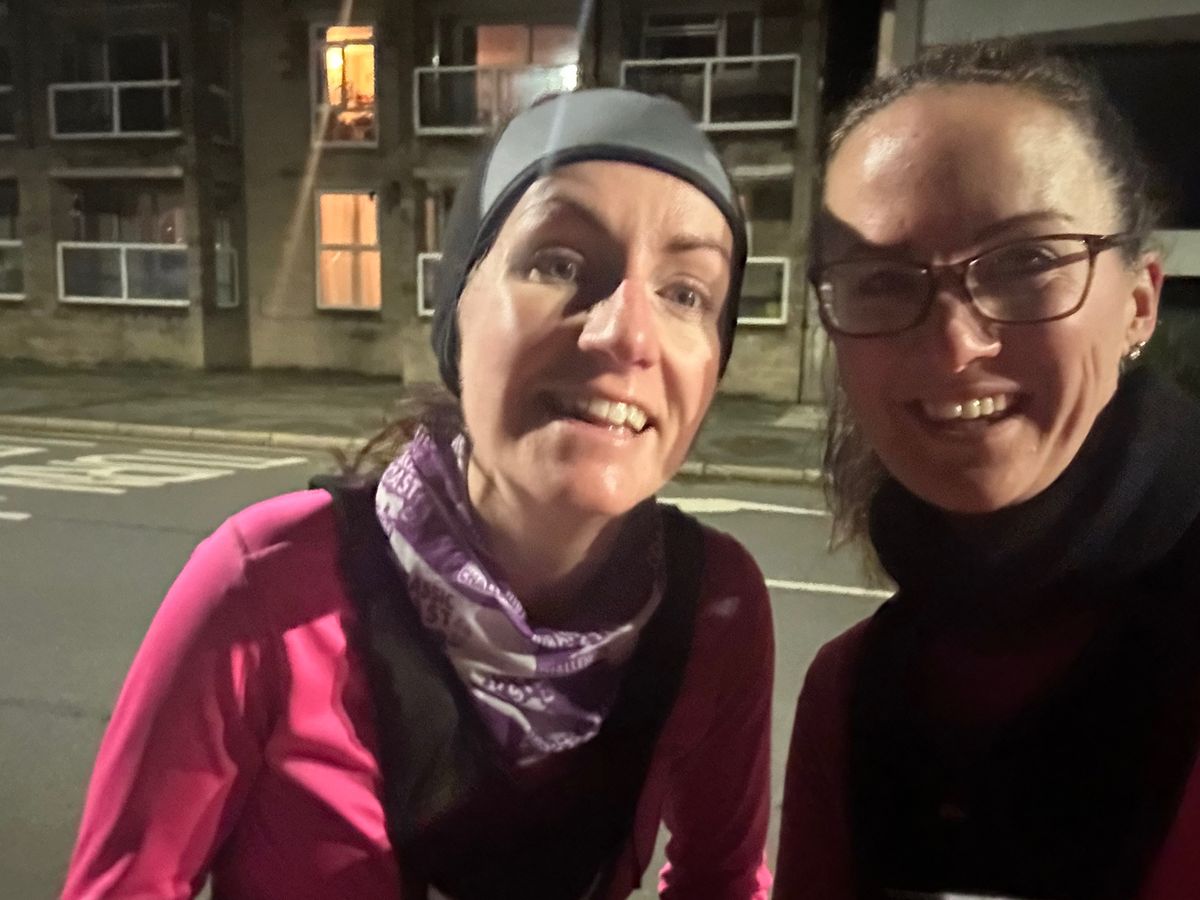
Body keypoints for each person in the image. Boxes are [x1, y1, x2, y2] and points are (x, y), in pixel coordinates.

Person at [63, 89, 774, 900]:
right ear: (456, 313)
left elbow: (723, 882)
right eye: (558, 263)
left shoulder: (713, 609)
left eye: (686, 293)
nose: (627, 333)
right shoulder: (266, 584)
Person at [775, 40, 1200, 899]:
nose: (955, 346)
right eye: (881, 280)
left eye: (1026, 261)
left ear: (1139, 302)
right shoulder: (852, 692)